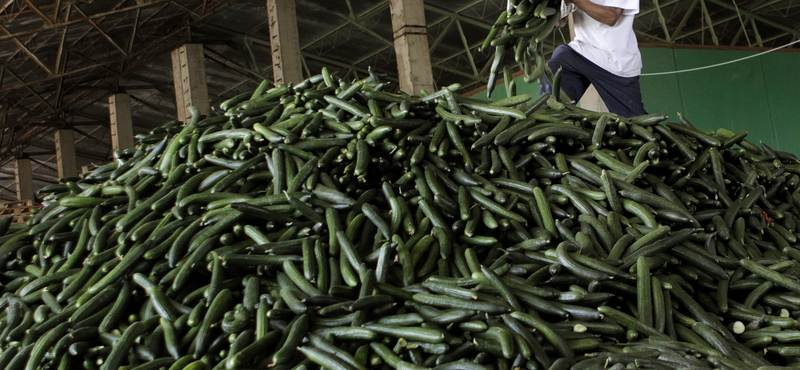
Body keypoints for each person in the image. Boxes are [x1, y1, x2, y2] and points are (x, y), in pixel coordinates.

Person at [539, 0, 647, 117]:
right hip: (583, 50)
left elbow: (612, 17)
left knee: (634, 123)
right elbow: (561, 20)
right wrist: (545, 15)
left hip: (615, 62)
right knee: (557, 64)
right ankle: (550, 123)